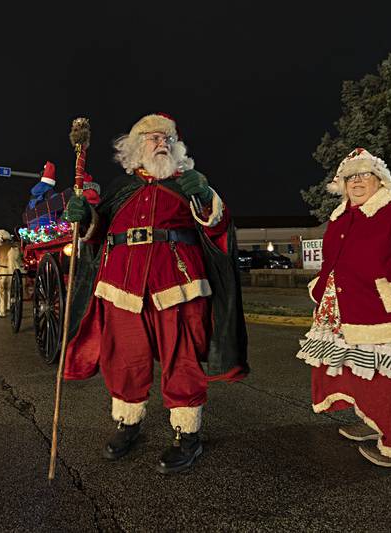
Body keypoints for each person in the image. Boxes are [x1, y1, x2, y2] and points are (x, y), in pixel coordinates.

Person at [62, 113, 248, 474]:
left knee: (182, 359)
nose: (162, 142)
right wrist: (84, 216)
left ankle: (186, 433)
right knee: (124, 359)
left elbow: (219, 226)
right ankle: (128, 422)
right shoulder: (120, 187)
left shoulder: (188, 184)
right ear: (134, 147)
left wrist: (207, 195)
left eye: (168, 138)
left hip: (178, 285)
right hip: (121, 287)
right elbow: (95, 235)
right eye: (153, 137)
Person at [296, 148, 391, 468]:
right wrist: (321, 286)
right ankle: (373, 421)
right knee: (362, 370)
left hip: (388, 312)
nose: (357, 181)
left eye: (365, 175)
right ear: (341, 184)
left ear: (379, 180)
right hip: (349, 309)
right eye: (351, 176)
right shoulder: (342, 216)